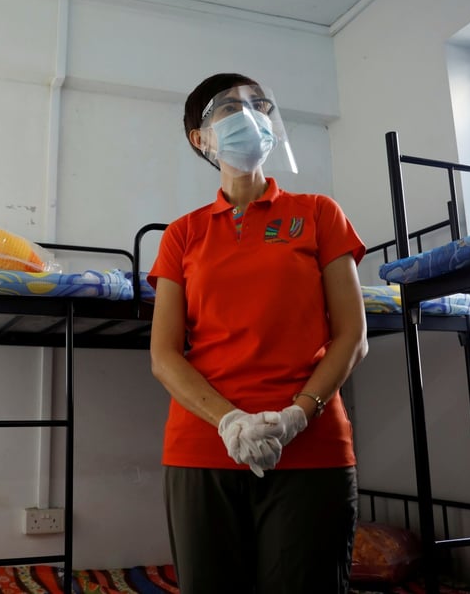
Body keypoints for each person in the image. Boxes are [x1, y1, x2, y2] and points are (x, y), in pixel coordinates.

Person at [148, 72, 369, 593]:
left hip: (311, 448)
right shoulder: (183, 233)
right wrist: (230, 423)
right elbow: (164, 355)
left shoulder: (318, 213)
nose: (250, 114)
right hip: (203, 447)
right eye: (228, 107)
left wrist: (298, 414)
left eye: (260, 104)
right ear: (199, 140)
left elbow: (352, 336)